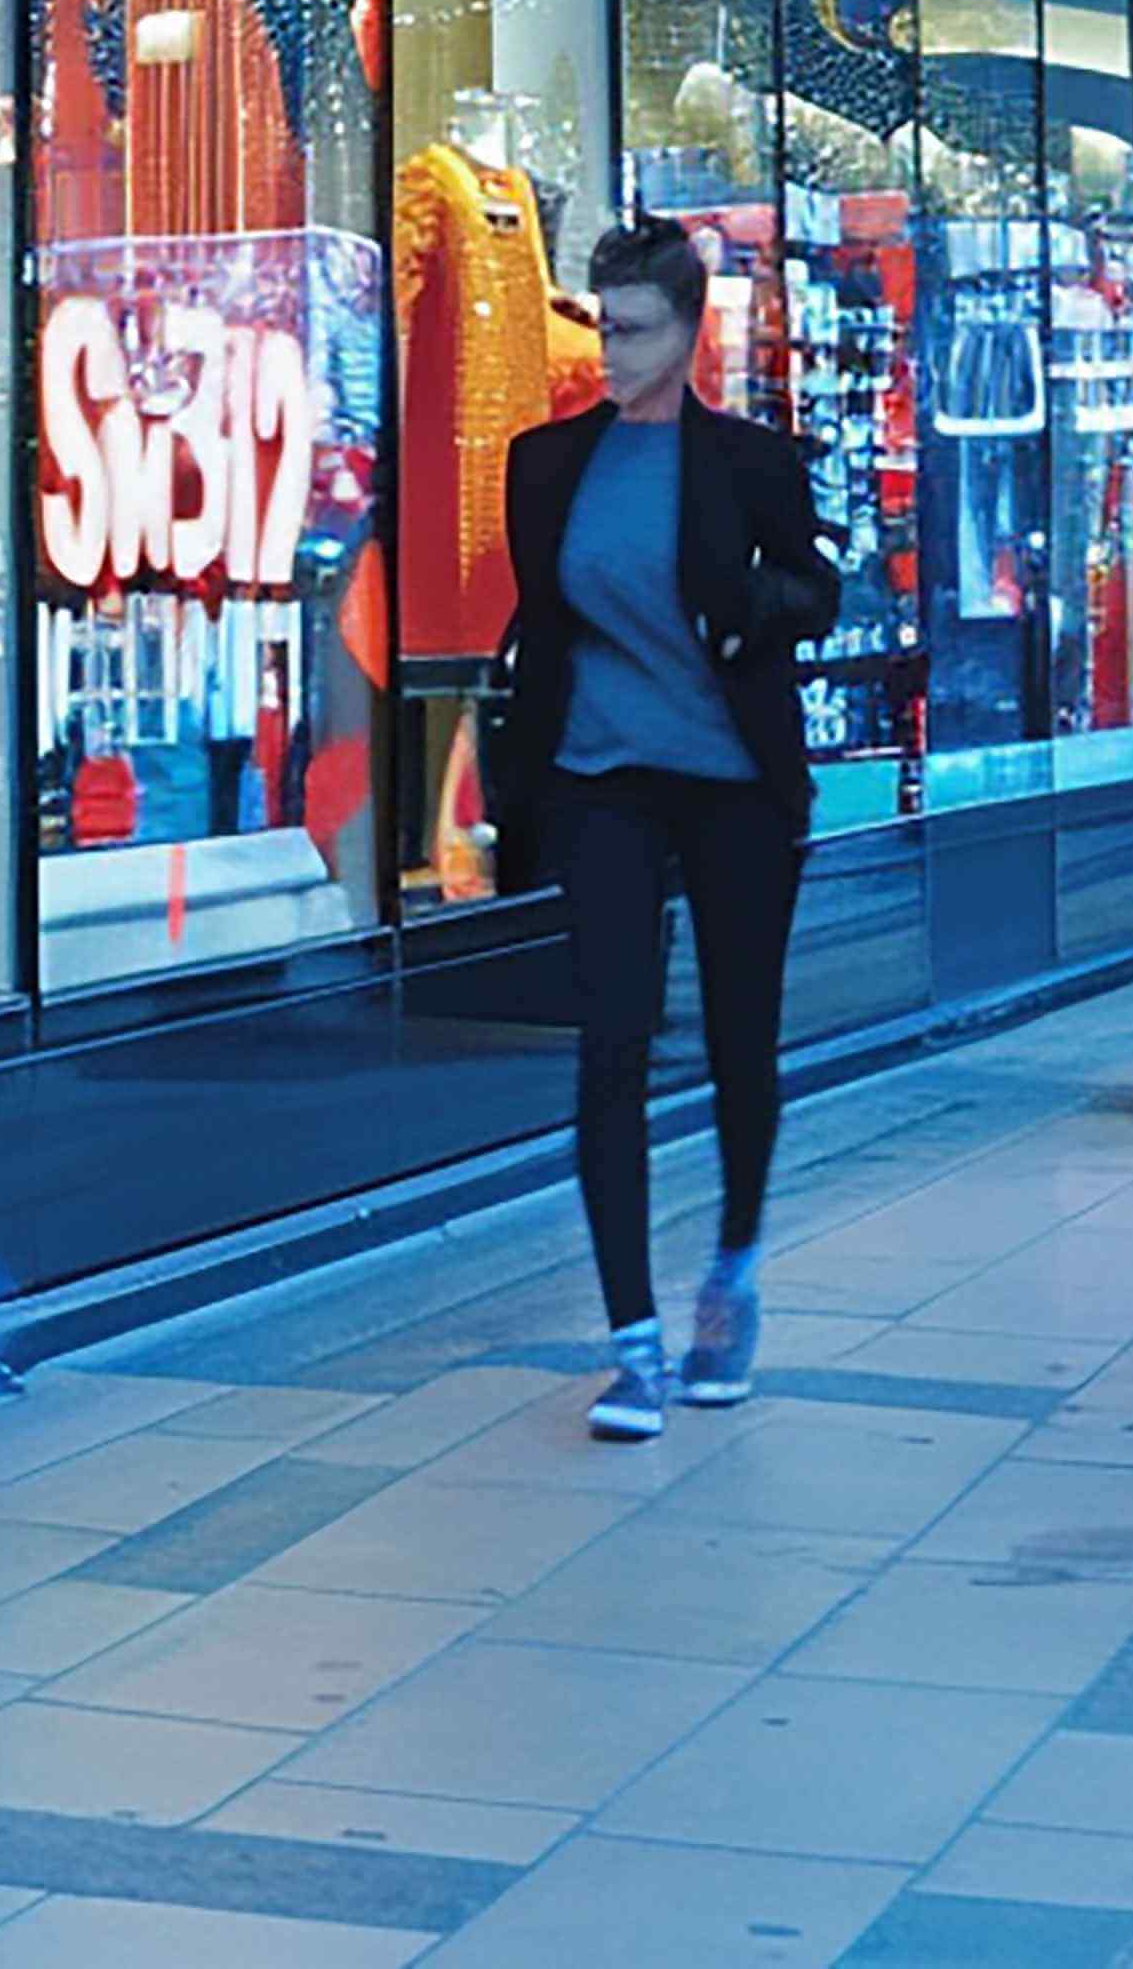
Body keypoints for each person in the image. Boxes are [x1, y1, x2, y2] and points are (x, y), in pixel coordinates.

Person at [496, 216, 842, 1440]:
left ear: (690, 333)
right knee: (610, 1044)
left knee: (741, 1042)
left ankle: (730, 1276)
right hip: (600, 775)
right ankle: (631, 1342)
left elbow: (819, 589)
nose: (610, 348)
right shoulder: (545, 462)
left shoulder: (749, 461)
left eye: (635, 329)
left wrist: (754, 599)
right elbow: (540, 626)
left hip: (732, 778)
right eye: (600, 322)